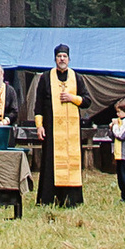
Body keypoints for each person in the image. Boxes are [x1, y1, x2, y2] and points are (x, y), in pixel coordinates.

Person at [34, 46, 85, 209]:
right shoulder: (45, 77)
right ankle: (48, 198)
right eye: (59, 56)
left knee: (71, 162)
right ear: (55, 59)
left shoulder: (76, 77)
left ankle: (71, 199)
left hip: (71, 132)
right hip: (51, 128)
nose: (62, 59)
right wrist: (39, 126)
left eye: (64, 56)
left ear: (69, 59)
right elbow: (38, 105)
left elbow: (87, 101)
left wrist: (72, 98)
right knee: (50, 162)